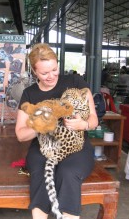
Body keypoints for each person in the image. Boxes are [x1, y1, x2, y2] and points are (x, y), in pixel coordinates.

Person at [15, 43, 98, 219]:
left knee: (68, 173)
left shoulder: (75, 82)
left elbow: (94, 119)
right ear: (34, 72)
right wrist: (40, 126)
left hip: (77, 145)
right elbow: (20, 134)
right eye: (44, 73)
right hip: (44, 147)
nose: (51, 76)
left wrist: (83, 125)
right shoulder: (29, 94)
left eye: (54, 69)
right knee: (41, 174)